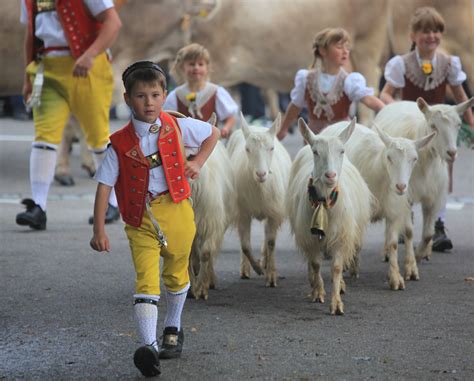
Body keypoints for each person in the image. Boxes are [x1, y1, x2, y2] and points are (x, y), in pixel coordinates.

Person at [90, 61, 219, 377]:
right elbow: (104, 186)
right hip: (139, 220)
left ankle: (173, 326)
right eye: (140, 96)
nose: (148, 102)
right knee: (146, 279)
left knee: (176, 272)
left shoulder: (178, 126)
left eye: (154, 95)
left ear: (164, 97)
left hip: (177, 210)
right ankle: (148, 346)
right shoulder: (118, 144)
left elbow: (213, 132)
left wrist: (198, 161)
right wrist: (98, 230)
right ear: (127, 99)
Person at [16, 0, 122, 230]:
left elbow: (113, 22)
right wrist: (27, 75)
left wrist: (91, 54)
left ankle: (112, 203)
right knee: (44, 136)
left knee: (97, 137)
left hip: (88, 68)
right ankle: (39, 206)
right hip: (48, 68)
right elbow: (31, 34)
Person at [380, 6, 474, 252]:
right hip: (411, 130)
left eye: (435, 31)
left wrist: (472, 126)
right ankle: (405, 219)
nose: (431, 36)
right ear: (413, 36)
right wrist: (405, 109)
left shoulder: (449, 63)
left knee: (440, 176)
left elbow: (461, 97)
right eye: (424, 32)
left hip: (440, 132)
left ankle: (438, 223)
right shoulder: (401, 64)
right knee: (409, 172)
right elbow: (385, 94)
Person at [277, 27, 384, 140]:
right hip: (314, 140)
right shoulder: (306, 78)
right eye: (339, 47)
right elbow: (295, 105)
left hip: (341, 139)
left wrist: (387, 109)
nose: (345, 51)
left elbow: (368, 99)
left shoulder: (349, 81)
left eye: (347, 47)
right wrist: (283, 129)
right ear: (323, 51)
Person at [164, 43, 238, 138]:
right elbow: (167, 119)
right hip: (185, 144)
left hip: (211, 144)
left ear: (207, 68)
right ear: (182, 67)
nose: (196, 67)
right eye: (191, 64)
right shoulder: (176, 95)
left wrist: (226, 128)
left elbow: (231, 116)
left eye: (200, 64)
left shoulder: (216, 92)